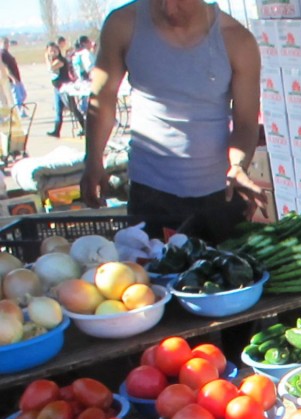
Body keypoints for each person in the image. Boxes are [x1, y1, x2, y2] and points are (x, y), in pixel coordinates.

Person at [80, 0, 266, 242]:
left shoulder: (237, 40)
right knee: (151, 276)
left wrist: (238, 166)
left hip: (219, 193)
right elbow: (102, 101)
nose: (169, 8)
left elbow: (245, 123)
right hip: (150, 193)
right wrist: (93, 160)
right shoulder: (123, 24)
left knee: (226, 275)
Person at [45, 42, 77, 137]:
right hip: (57, 88)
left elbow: (51, 67)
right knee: (58, 110)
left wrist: (46, 57)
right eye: (51, 51)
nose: (53, 52)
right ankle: (56, 131)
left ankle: (85, 127)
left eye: (55, 50)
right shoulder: (53, 59)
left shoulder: (60, 60)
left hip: (64, 88)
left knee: (73, 109)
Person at [1, 39, 27, 117]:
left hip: (16, 77)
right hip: (11, 79)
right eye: (4, 43)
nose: (6, 44)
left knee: (23, 94)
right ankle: (20, 112)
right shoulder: (2, 53)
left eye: (7, 43)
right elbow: (4, 68)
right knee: (17, 96)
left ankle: (19, 110)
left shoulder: (7, 53)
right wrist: (12, 78)